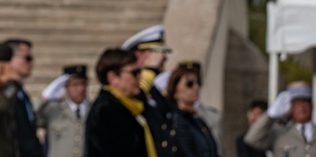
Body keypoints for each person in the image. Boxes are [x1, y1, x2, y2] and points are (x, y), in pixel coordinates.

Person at [122, 25, 180, 157]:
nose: (163, 58)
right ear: (138, 56)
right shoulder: (134, 90)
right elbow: (134, 99)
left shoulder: (154, 91)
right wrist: (150, 69)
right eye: (158, 52)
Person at [85, 48, 154, 157]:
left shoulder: (129, 105)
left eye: (139, 72)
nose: (139, 77)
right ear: (113, 77)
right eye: (134, 73)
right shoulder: (107, 110)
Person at [244, 82, 316, 157]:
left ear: (312, 106)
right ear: (289, 107)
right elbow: (251, 139)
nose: (302, 107)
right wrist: (271, 115)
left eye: (305, 102)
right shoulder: (278, 132)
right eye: (297, 103)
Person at [166, 62, 218, 157]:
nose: (196, 87)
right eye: (189, 84)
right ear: (175, 91)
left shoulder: (197, 120)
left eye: (198, 82)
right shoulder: (176, 122)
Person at [38, 64, 90, 157]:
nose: (81, 89)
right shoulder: (54, 109)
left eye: (83, 84)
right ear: (66, 87)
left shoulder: (93, 109)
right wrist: (43, 98)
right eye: (75, 85)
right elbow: (33, 119)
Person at [5, 39, 42, 157]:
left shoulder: (22, 94)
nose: (31, 63)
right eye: (27, 58)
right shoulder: (3, 94)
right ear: (10, 58)